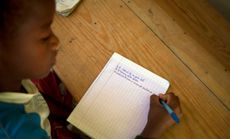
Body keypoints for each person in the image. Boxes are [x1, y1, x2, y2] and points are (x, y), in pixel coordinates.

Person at [0, 0, 182, 139]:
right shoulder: (16, 131)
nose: (57, 42)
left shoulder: (11, 75)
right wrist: (152, 129)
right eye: (45, 36)